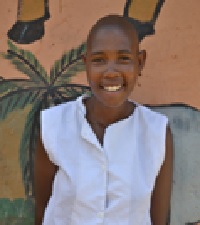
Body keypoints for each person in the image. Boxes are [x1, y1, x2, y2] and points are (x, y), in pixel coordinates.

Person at [34, 14, 173, 225]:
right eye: (99, 60)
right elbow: (43, 207)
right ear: (86, 65)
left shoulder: (156, 133)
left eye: (123, 59)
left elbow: (159, 219)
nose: (111, 72)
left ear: (140, 62)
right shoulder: (53, 127)